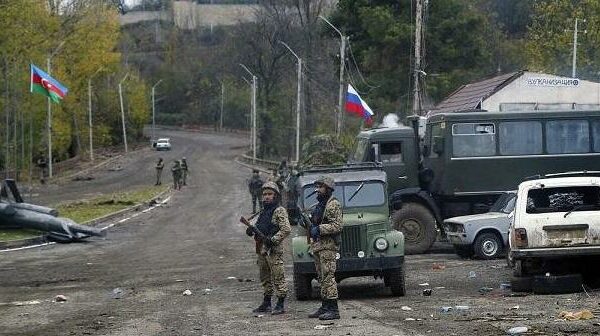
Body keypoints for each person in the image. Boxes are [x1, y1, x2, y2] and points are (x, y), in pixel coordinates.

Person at [245, 182, 291, 315]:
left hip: (273, 250)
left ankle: (280, 303)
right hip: (261, 249)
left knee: (278, 276)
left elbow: (286, 229)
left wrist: (272, 240)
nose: (266, 197)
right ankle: (266, 302)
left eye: (269, 194)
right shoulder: (263, 211)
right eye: (264, 194)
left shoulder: (279, 210)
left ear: (275, 196)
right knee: (264, 277)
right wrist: (251, 230)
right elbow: (260, 227)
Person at [308, 175, 342, 320]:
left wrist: (319, 229)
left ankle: (333, 309)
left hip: (328, 246)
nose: (318, 190)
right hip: (318, 246)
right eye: (317, 187)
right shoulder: (320, 205)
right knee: (321, 278)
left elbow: (337, 225)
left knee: (328, 277)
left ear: (328, 188)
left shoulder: (332, 204)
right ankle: (325, 306)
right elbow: (315, 222)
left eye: (321, 187)